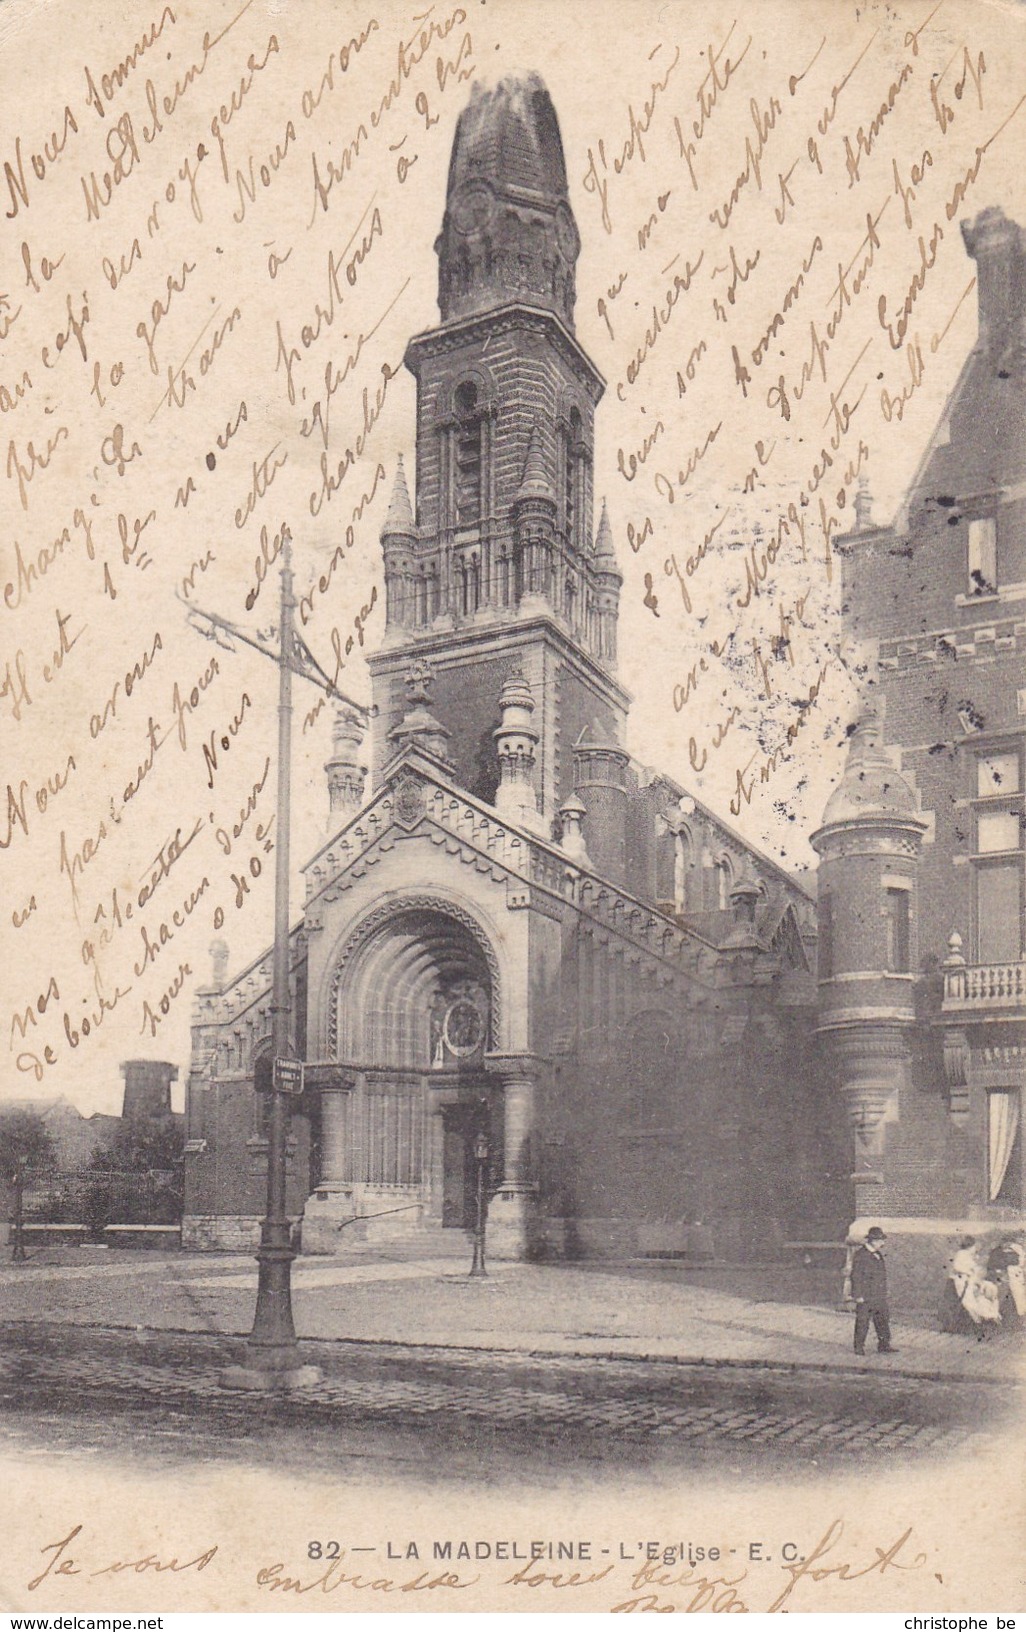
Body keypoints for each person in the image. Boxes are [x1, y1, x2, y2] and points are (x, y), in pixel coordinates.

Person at [851, 1225, 897, 1355]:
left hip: (878, 1295)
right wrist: (858, 1295)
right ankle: (859, 1346)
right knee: (863, 1321)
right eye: (881, 1240)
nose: (883, 1243)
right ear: (874, 1241)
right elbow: (856, 1275)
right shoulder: (860, 1255)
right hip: (866, 1295)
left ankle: (884, 1344)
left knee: (882, 1319)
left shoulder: (878, 1254)